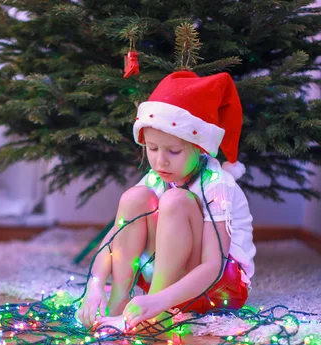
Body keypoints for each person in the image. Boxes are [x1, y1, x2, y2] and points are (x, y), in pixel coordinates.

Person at [76, 71, 256, 331]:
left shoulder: (216, 185)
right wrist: (94, 285)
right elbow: (117, 233)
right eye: (152, 148)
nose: (161, 161)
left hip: (217, 287)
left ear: (200, 147)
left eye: (173, 151)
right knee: (135, 198)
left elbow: (212, 267)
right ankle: (118, 304)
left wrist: (158, 300)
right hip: (168, 280)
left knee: (175, 201)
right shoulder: (156, 177)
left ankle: (156, 313)